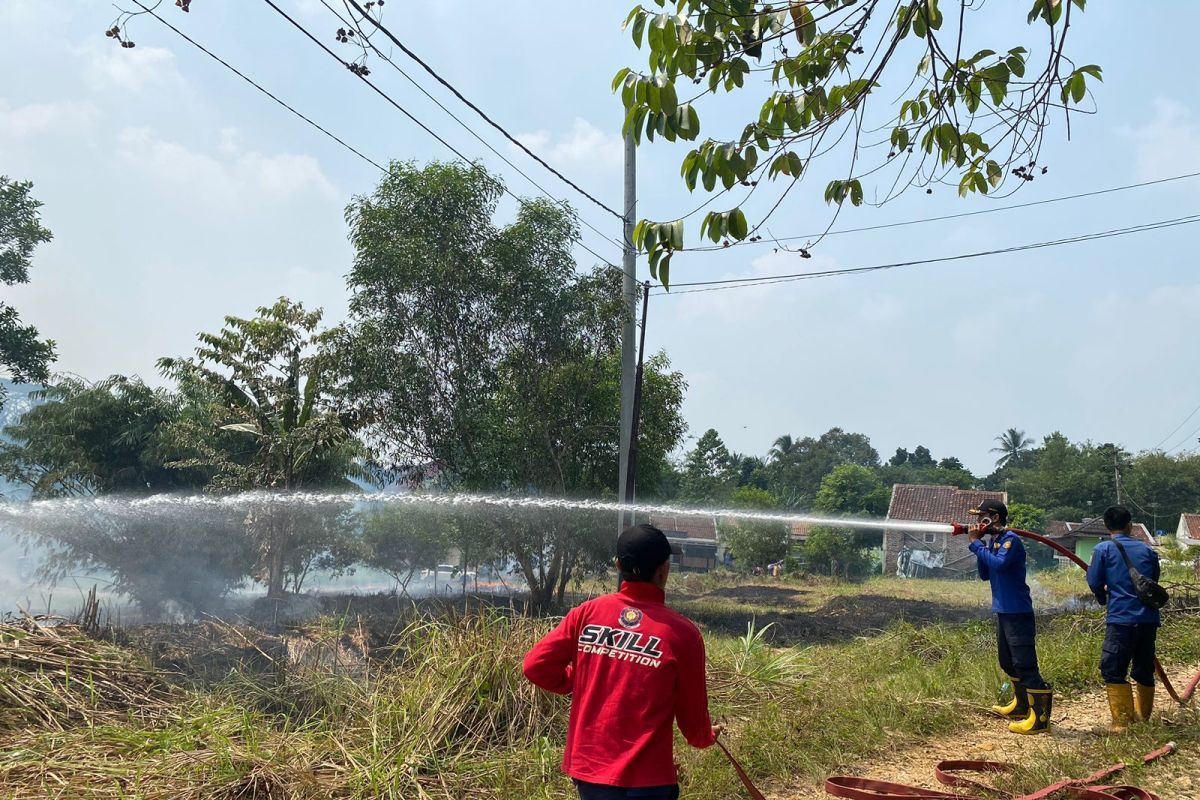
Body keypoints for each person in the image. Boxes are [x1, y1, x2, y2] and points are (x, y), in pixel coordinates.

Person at [522, 523, 721, 799]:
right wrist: (706, 736)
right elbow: (693, 721)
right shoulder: (683, 634)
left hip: (591, 772)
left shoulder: (587, 614)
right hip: (650, 782)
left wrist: (572, 680)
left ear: (618, 566)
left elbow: (535, 666)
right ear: (664, 570)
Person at [967, 499, 1053, 735]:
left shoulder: (1010, 540)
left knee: (1025, 664)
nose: (976, 522)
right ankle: (1022, 706)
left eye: (981, 517)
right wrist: (981, 545)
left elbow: (1001, 565)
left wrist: (975, 544)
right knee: (1007, 661)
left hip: (1017, 611)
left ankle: (1040, 719)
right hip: (1003, 610)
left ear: (993, 518)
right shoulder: (995, 541)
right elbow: (986, 573)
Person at [1086, 505, 1161, 731]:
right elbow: (1152, 583)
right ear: (1130, 525)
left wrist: (1103, 596)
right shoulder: (1148, 551)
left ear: (1107, 527)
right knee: (1144, 668)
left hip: (1121, 619)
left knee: (1113, 668)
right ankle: (1142, 719)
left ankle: (1122, 723)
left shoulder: (1103, 549)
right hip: (1148, 620)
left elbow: (1094, 581)